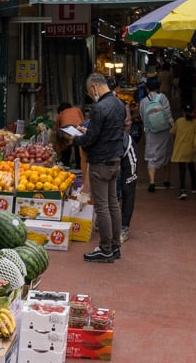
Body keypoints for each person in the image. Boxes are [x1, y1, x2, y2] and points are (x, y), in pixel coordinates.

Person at [72, 72, 127, 262]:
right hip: (115, 160)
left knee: (102, 206)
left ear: (94, 87)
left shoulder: (98, 108)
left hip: (100, 163)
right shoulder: (119, 104)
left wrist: (76, 139)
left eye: (89, 91)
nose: (90, 95)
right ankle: (115, 247)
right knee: (113, 203)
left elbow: (91, 138)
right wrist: (89, 132)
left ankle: (105, 249)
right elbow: (104, 132)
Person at [139, 75, 173, 192]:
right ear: (158, 88)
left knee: (151, 156)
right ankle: (166, 180)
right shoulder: (163, 98)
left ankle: (152, 182)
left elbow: (143, 118)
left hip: (151, 133)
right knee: (167, 154)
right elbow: (168, 115)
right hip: (164, 131)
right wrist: (173, 129)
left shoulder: (143, 101)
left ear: (147, 88)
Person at [118, 100, 140, 242]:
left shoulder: (120, 105)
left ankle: (124, 227)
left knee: (128, 190)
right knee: (110, 191)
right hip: (109, 157)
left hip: (127, 154)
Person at [170, 103, 196, 199]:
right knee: (191, 168)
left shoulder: (179, 121)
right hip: (190, 149)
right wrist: (195, 147)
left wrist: (171, 125)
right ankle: (194, 186)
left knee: (182, 170)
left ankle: (182, 189)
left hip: (180, 149)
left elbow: (172, 131)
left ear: (183, 112)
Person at [56, 101, 85, 169]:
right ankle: (79, 167)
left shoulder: (61, 114)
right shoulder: (77, 110)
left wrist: (59, 151)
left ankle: (66, 166)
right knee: (78, 149)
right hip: (78, 129)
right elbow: (83, 121)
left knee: (66, 148)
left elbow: (58, 130)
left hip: (65, 129)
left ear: (60, 111)